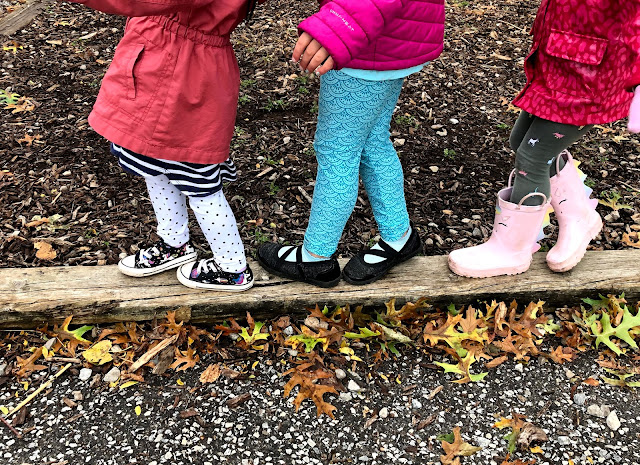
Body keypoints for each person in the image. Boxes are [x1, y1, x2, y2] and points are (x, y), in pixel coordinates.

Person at [64, 0, 259, 290]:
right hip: (173, 60)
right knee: (156, 164)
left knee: (198, 180)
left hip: (181, 72)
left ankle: (232, 267)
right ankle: (174, 243)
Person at [257, 0, 445, 287]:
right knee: (373, 141)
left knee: (337, 151)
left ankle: (315, 258)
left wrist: (336, 24)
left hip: (362, 45)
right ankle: (399, 237)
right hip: (388, 39)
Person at [448, 0, 640, 278]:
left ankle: (511, 250)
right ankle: (579, 215)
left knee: (532, 157)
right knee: (521, 141)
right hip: (561, 63)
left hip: (591, 78)